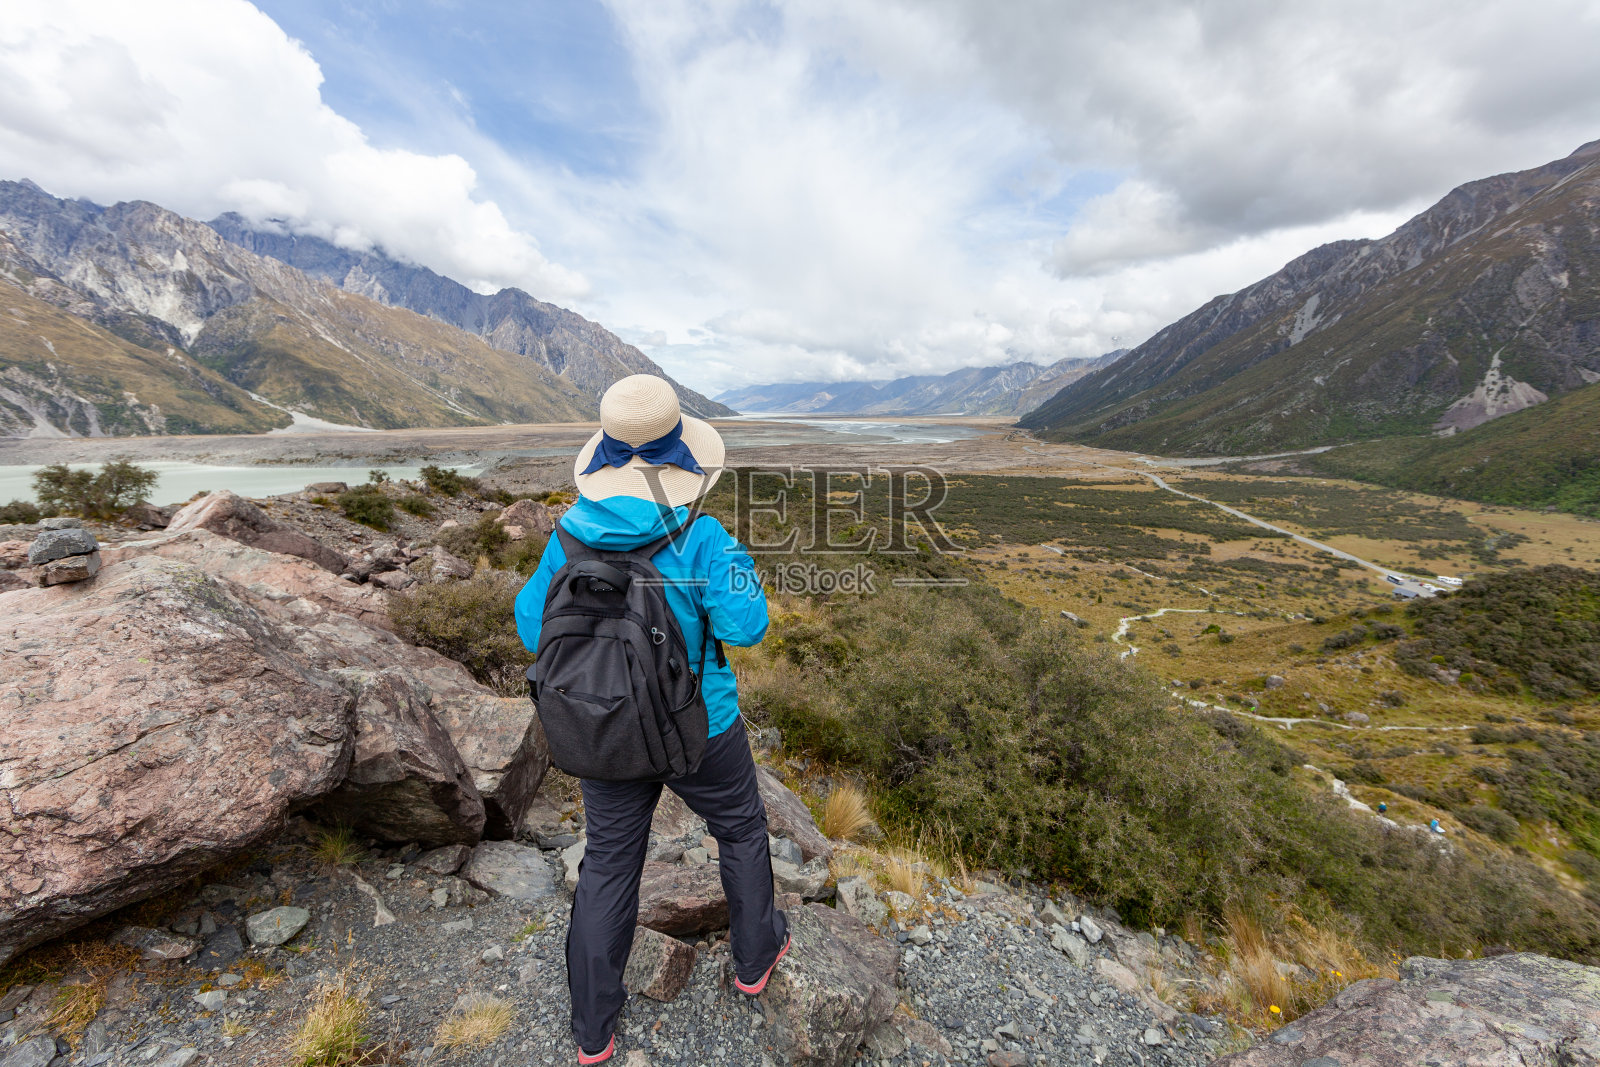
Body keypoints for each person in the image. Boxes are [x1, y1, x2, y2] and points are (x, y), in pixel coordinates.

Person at [514, 374, 789, 1065]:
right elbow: (747, 625)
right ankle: (756, 958)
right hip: (701, 725)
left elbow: (530, 626)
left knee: (608, 864)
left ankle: (592, 1031)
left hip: (605, 728)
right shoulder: (701, 534)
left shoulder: (569, 535)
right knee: (740, 827)